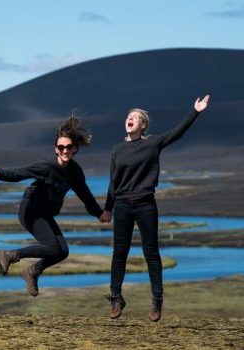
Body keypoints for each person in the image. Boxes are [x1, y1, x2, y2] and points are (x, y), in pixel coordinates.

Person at [100, 95, 210, 322]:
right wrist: (108, 209)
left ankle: (157, 300)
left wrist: (195, 111)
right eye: (129, 116)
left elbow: (177, 133)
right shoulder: (117, 149)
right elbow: (113, 182)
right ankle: (115, 297)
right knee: (119, 253)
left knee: (151, 252)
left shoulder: (153, 143)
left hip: (145, 204)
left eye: (136, 117)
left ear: (143, 125)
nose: (130, 118)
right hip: (122, 205)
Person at [0, 116, 105, 297]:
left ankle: (32, 271)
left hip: (45, 213)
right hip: (30, 209)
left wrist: (99, 213)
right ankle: (9, 254)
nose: (65, 150)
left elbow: (85, 195)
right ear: (56, 149)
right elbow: (20, 173)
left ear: (75, 149)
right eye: (61, 147)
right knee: (52, 247)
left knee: (62, 251)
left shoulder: (75, 172)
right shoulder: (47, 167)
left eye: (69, 147)